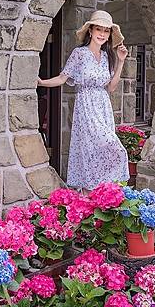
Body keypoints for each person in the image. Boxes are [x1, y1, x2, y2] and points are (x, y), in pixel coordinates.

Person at [37, 10, 130, 193]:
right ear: (90, 31)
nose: (102, 34)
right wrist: (42, 82)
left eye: (106, 31)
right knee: (91, 149)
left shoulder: (107, 57)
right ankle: (89, 193)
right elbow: (63, 78)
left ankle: (104, 192)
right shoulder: (79, 54)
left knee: (107, 147)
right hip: (86, 106)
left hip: (103, 105)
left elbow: (111, 88)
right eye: (99, 29)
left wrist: (120, 62)